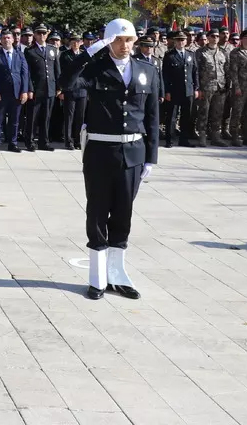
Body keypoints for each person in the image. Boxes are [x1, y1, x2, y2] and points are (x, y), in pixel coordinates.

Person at [65, 18, 159, 301]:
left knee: (123, 214)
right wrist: (89, 52)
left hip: (133, 153)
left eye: (129, 40)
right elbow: (67, 84)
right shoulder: (95, 69)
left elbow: (153, 116)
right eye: (119, 40)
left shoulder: (147, 70)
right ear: (108, 42)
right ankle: (97, 279)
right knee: (97, 213)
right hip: (101, 152)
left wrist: (151, 157)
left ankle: (117, 275)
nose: (125, 45)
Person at [0, 30, 30, 153]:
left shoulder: (20, 55)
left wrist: (25, 91)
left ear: (13, 39)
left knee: (14, 121)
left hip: (16, 92)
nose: (7, 40)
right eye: (4, 38)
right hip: (1, 93)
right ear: (1, 40)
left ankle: (13, 143)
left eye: (9, 38)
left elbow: (25, 74)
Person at [23, 24, 60, 151]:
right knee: (33, 117)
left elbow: (57, 70)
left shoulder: (52, 49)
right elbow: (27, 72)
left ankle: (44, 142)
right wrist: (30, 89)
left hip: (50, 88)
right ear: (35, 35)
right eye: (39, 33)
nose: (42, 36)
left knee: (46, 117)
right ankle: (30, 141)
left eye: (44, 33)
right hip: (36, 89)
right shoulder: (30, 51)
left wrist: (58, 87)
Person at [161, 31, 200, 148]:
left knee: (186, 116)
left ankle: (184, 139)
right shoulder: (169, 55)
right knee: (172, 116)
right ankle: (169, 140)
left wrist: (196, 88)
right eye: (178, 40)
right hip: (174, 91)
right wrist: (167, 91)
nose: (180, 42)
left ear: (186, 41)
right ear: (174, 41)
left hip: (188, 90)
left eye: (183, 40)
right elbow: (165, 75)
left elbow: (195, 72)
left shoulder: (190, 54)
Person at [57, 33, 87, 150]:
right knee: (69, 117)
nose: (75, 43)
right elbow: (63, 73)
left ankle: (78, 140)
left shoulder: (84, 55)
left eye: (78, 41)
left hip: (82, 89)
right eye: (73, 41)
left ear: (81, 43)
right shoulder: (65, 55)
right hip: (69, 89)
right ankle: (68, 141)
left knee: (80, 117)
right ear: (70, 42)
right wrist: (62, 89)